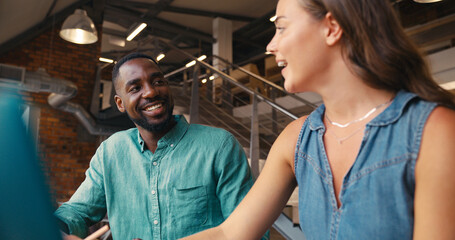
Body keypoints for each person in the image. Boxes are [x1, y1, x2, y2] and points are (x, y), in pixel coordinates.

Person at [183, 0, 455, 239]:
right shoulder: (295, 139)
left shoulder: (434, 132)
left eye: (281, 27)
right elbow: (231, 233)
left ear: (331, 27)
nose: (270, 45)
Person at [54, 52, 260, 240]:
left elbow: (253, 232)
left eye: (158, 81)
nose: (151, 92)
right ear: (120, 103)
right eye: (135, 88)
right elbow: (77, 212)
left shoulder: (219, 147)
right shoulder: (111, 152)